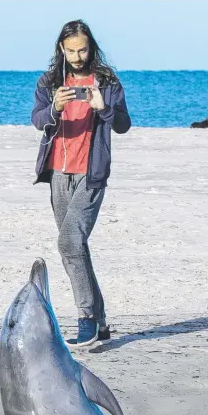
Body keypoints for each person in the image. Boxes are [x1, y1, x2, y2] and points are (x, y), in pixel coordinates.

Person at [31, 19, 131, 348]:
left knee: (68, 244)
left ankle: (86, 316)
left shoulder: (107, 81)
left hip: (91, 173)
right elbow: (37, 119)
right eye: (71, 50)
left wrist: (103, 108)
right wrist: (54, 109)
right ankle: (101, 323)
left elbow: (123, 124)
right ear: (61, 48)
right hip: (57, 173)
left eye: (83, 49)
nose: (77, 56)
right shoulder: (49, 82)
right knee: (77, 247)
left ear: (91, 47)